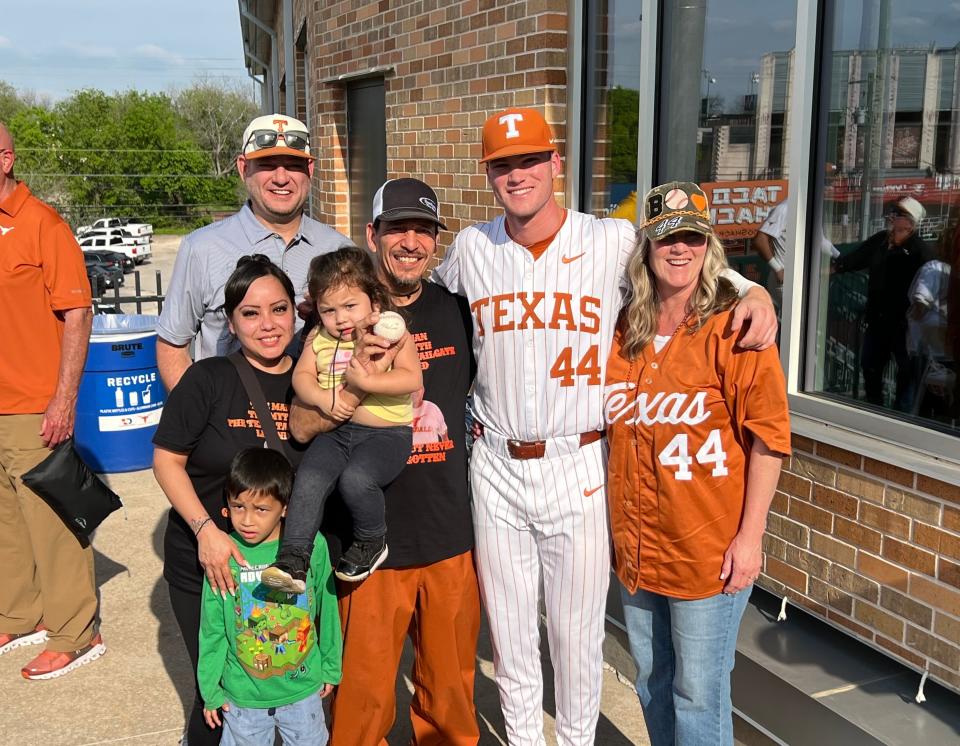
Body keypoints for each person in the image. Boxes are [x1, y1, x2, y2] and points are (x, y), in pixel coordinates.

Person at [431, 108, 778, 745]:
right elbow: (420, 301)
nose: (518, 175)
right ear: (488, 174)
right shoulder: (471, 250)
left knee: (577, 640)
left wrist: (750, 289)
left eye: (531, 160)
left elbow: (685, 260)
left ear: (556, 163)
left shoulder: (609, 242)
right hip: (496, 462)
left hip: (580, 462)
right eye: (503, 165)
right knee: (510, 640)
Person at [289, 178, 481, 745]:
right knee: (361, 704)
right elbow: (300, 425)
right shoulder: (335, 320)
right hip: (367, 546)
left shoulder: (458, 312)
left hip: (448, 532)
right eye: (397, 228)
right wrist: (346, 400)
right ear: (373, 235)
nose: (411, 242)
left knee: (449, 698)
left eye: (423, 230)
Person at [605, 181, 791, 746]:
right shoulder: (624, 329)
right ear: (647, 249)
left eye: (692, 238)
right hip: (637, 548)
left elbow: (769, 439)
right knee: (653, 684)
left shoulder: (736, 327)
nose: (679, 249)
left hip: (706, 552)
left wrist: (750, 538)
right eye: (667, 239)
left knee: (698, 695)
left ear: (709, 247)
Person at [153, 255, 307, 746]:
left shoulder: (313, 380)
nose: (268, 325)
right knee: (220, 696)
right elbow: (166, 460)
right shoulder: (209, 379)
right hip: (210, 570)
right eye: (251, 313)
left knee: (276, 684)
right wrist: (206, 532)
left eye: (279, 309)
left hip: (278, 571)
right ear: (231, 320)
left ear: (296, 314)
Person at [0, 122, 104, 680]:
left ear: (7, 158)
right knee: (5, 522)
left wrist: (62, 401)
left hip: (33, 405)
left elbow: (77, 315)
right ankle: (20, 613)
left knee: (53, 520)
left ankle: (76, 631)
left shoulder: (44, 226)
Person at [156, 113, 352, 392]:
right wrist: (198, 419)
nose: (281, 178)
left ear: (310, 169)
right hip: (229, 428)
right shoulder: (201, 248)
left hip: (318, 424)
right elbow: (172, 346)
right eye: (267, 165)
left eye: (293, 166)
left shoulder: (340, 250)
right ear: (242, 167)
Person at [261, 247, 420, 591]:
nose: (341, 319)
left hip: (386, 435)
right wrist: (321, 398)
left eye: (350, 306)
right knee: (309, 479)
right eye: (328, 310)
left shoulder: (390, 336)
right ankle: (293, 558)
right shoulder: (318, 338)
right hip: (335, 435)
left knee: (356, 479)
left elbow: (412, 379)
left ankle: (371, 540)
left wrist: (368, 382)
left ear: (374, 303)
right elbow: (301, 377)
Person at [198, 447, 340, 746]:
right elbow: (212, 629)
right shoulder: (223, 556)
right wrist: (210, 690)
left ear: (285, 507)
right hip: (243, 699)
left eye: (261, 509)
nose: (247, 520)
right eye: (238, 506)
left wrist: (330, 665)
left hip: (303, 691)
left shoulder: (312, 546)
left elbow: (327, 610)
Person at [833, 195, 932, 410]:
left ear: (910, 223)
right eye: (893, 213)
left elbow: (930, 289)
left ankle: (903, 418)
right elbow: (849, 262)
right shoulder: (879, 242)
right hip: (878, 321)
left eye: (898, 214)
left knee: (906, 374)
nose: (892, 218)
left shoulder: (921, 252)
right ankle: (874, 410)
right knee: (870, 367)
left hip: (906, 325)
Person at [752, 197, 839, 313]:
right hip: (786, 280)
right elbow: (759, 240)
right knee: (799, 321)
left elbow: (820, 241)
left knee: (807, 320)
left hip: (804, 278)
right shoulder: (785, 208)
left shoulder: (811, 207)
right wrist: (777, 269)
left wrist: (840, 257)